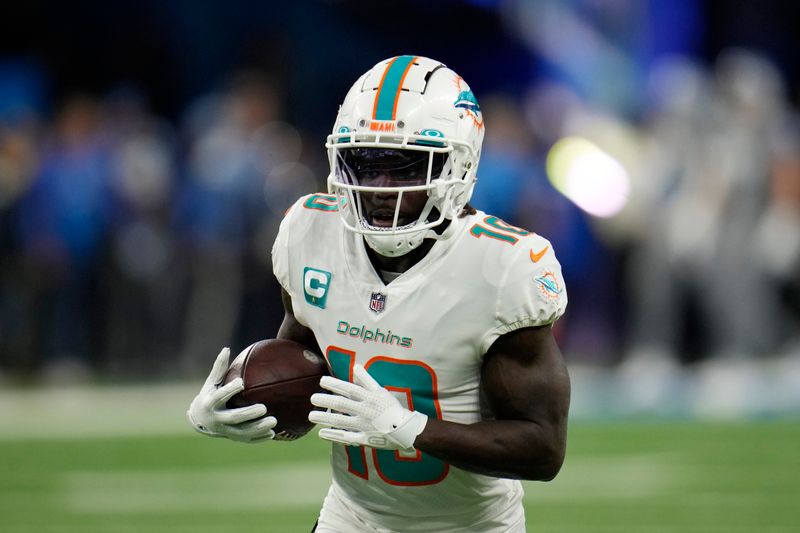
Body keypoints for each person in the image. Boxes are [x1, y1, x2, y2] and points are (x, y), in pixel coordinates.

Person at [188, 55, 571, 532]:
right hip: (353, 517)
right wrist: (237, 402)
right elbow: (305, 372)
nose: (380, 189)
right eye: (364, 164)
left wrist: (409, 428)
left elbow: (542, 448)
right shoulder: (310, 231)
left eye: (406, 167)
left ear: (460, 164)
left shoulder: (502, 267)